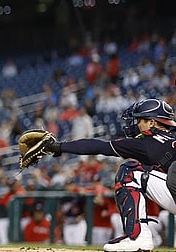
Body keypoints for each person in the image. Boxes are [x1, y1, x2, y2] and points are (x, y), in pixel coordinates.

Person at [34, 98, 176, 252]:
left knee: (130, 172)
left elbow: (97, 146)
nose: (136, 125)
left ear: (152, 122)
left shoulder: (146, 143)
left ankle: (139, 237)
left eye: (140, 120)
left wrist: (58, 147)